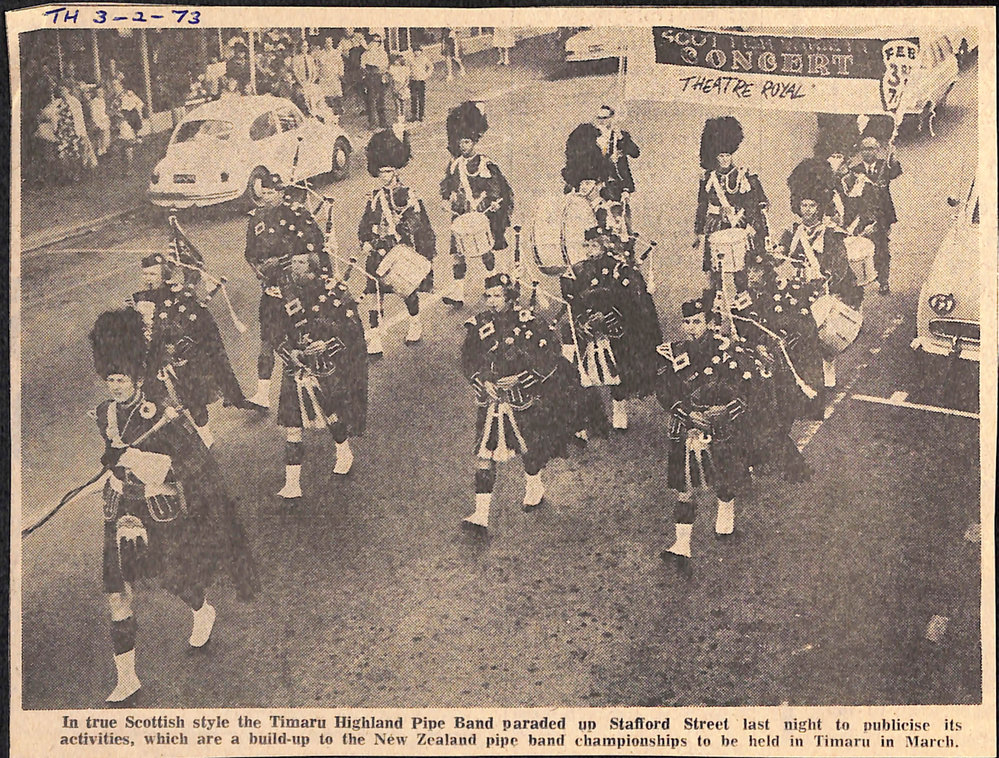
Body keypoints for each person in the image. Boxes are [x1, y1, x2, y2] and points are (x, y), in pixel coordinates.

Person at [88, 309, 257, 702]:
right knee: (116, 590)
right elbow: (110, 452)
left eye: (121, 379)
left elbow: (190, 464)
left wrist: (138, 462)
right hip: (119, 511)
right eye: (110, 379)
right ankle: (127, 677)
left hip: (155, 509)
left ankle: (201, 609)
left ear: (135, 378)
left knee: (170, 578)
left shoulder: (161, 415)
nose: (115, 386)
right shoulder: (104, 413)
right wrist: (111, 468)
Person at [460, 273, 585, 529]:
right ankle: (481, 514)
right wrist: (483, 380)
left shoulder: (529, 321)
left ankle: (534, 483)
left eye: (497, 296)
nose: (492, 301)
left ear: (509, 296)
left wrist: (522, 378)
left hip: (523, 400)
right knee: (485, 455)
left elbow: (550, 354)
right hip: (491, 401)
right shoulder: (480, 323)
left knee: (529, 450)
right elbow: (467, 358)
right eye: (489, 296)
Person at [656, 297, 766, 577]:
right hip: (687, 426)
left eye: (696, 322)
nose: (691, 328)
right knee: (684, 487)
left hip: (720, 427)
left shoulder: (726, 350)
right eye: (687, 322)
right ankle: (682, 545)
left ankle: (725, 518)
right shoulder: (673, 353)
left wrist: (724, 413)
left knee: (724, 477)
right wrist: (687, 416)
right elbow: (664, 392)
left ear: (707, 322)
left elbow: (747, 391)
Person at [126, 253, 263, 449]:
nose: (148, 279)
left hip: (182, 358)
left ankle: (205, 435)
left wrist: (183, 341)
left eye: (153, 274)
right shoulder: (138, 300)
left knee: (192, 397)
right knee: (159, 403)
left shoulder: (178, 294)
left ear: (164, 274)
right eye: (146, 274)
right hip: (156, 361)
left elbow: (198, 323)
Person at [269, 252, 368, 499]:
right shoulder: (286, 295)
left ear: (313, 269)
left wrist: (327, 345)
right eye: (292, 262)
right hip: (296, 366)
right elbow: (274, 331)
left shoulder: (334, 293)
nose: (293, 266)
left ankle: (343, 450)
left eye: (300, 263)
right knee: (293, 425)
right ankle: (292, 483)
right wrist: (290, 352)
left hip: (326, 366)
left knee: (331, 414)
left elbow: (352, 331)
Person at [561, 227, 663, 431]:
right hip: (587, 328)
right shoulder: (578, 270)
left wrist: (609, 318)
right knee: (582, 373)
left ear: (606, 246)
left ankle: (619, 410)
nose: (590, 250)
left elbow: (633, 302)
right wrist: (583, 322)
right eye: (587, 245)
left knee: (617, 370)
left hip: (614, 328)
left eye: (595, 245)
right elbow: (571, 300)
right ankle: (583, 418)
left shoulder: (621, 269)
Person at [244, 173, 327, 408]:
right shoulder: (256, 218)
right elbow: (250, 253)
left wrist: (291, 260)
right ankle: (262, 393)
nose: (268, 198)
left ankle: (316, 387)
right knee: (267, 340)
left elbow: (315, 247)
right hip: (272, 291)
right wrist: (260, 269)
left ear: (282, 192)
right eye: (265, 193)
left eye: (272, 193)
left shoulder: (298, 213)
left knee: (302, 340)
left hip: (296, 292)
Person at [781, 158, 864, 389]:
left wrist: (825, 277)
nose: (806, 211)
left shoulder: (831, 233)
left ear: (819, 207)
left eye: (811, 206)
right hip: (799, 286)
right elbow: (780, 252)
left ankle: (828, 372)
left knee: (824, 335)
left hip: (823, 289)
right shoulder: (793, 231)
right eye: (803, 206)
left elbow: (839, 264)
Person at [359, 128, 436, 353]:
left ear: (396, 170)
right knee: (374, 295)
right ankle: (375, 337)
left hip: (399, 249)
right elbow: (365, 223)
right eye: (381, 171)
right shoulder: (374, 197)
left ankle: (415, 323)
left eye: (388, 171)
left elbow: (416, 219)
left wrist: (399, 231)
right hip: (377, 253)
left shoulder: (407, 194)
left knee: (407, 291)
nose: (384, 175)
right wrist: (365, 239)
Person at [440, 101, 514, 307]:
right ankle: (458, 293)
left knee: (485, 252)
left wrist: (492, 203)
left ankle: (492, 282)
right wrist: (447, 200)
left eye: (467, 142)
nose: (463, 146)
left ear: (474, 142)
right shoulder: (454, 164)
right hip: (461, 214)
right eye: (460, 143)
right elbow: (447, 185)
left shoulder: (485, 163)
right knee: (457, 254)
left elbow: (496, 188)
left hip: (481, 215)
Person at [693, 116, 769, 291]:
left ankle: (742, 301)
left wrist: (751, 224)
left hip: (737, 222)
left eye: (728, 155)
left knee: (740, 266)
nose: (725, 159)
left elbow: (750, 203)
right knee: (715, 268)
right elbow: (702, 204)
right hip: (715, 223)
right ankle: (716, 304)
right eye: (721, 156)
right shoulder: (707, 178)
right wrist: (698, 231)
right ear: (715, 157)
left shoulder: (742, 176)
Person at [846, 136, 902, 294]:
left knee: (881, 249)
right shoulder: (855, 170)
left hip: (881, 216)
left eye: (871, 149)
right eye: (864, 149)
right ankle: (859, 278)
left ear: (877, 150)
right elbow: (848, 191)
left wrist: (893, 156)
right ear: (860, 151)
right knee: (858, 246)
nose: (868, 152)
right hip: (861, 215)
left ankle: (883, 280)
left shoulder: (884, 166)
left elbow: (895, 171)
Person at [361, 32, 389, 129]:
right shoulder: (365, 54)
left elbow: (385, 66)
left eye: (378, 42)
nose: (376, 44)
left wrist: (383, 74)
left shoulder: (383, 54)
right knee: (371, 100)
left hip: (380, 77)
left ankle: (383, 121)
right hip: (370, 77)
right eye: (374, 41)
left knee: (381, 100)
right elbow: (363, 66)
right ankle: (372, 123)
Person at [313, 36, 345, 118]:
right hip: (323, 77)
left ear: (332, 43)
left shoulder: (336, 53)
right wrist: (317, 75)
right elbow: (317, 65)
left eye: (330, 42)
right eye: (327, 42)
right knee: (325, 95)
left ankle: (338, 112)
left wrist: (340, 73)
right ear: (324, 44)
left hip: (334, 76)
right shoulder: (320, 53)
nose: (328, 44)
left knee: (336, 94)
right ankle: (327, 112)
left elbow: (340, 64)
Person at [290, 40, 317, 115]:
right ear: (300, 47)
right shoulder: (295, 59)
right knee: (302, 101)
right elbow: (295, 73)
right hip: (300, 84)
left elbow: (314, 71)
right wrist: (302, 83)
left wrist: (311, 81)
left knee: (312, 100)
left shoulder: (310, 58)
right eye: (304, 46)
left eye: (307, 46)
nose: (306, 48)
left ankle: (312, 115)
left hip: (309, 83)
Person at [408, 43, 433, 122]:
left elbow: (431, 67)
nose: (417, 52)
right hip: (413, 81)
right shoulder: (411, 59)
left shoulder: (424, 59)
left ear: (421, 51)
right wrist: (409, 76)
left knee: (421, 98)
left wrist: (426, 75)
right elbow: (408, 69)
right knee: (413, 98)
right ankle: (414, 115)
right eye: (415, 51)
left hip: (421, 81)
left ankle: (421, 115)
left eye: (418, 51)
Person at [388, 54, 411, 123]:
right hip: (395, 85)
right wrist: (393, 87)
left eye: (399, 60)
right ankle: (398, 117)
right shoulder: (392, 68)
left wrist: (403, 87)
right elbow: (391, 79)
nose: (397, 62)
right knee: (397, 103)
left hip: (403, 85)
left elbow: (407, 80)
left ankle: (403, 116)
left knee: (403, 102)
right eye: (396, 60)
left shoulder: (405, 68)